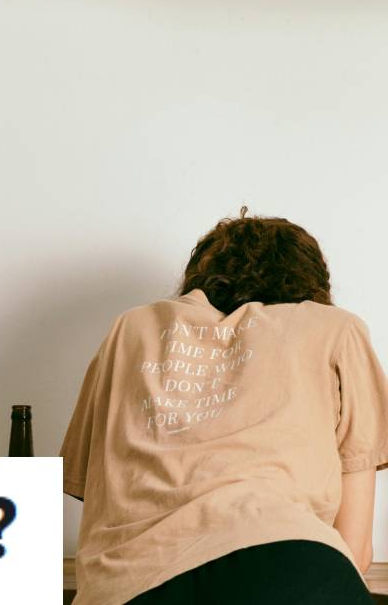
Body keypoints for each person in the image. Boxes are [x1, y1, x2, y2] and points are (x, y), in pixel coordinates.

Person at [61, 208, 386, 604]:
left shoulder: (131, 328)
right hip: (289, 564)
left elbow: (94, 487)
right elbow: (356, 547)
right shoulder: (335, 329)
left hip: (129, 584)